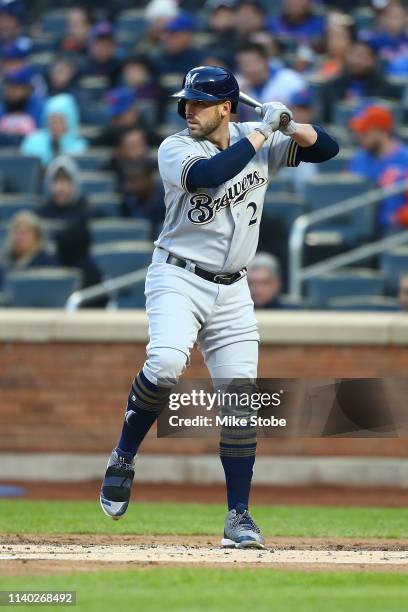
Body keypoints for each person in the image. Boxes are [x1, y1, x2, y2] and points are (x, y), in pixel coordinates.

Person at [99, 65, 338, 547]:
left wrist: (291, 125)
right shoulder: (175, 147)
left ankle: (238, 517)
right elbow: (209, 177)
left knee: (240, 398)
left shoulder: (260, 134)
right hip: (178, 275)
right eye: (186, 102)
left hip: (234, 289)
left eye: (200, 103)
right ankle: (124, 456)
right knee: (165, 364)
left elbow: (327, 149)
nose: (189, 110)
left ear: (226, 107)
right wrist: (263, 135)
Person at [349, 105, 408, 232]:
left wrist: (400, 217)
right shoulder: (358, 159)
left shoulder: (405, 159)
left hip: (396, 233)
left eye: (364, 132)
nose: (359, 137)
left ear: (380, 131)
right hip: (361, 231)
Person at [319, 40, 402, 123]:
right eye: (352, 54)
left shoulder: (386, 88)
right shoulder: (331, 86)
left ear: (372, 61)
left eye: (360, 56)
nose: (355, 60)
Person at [20, 94, 87, 166]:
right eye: (53, 121)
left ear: (71, 121)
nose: (56, 126)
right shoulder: (33, 142)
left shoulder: (80, 148)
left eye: (61, 121)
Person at [236, 42, 305, 108]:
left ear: (265, 61)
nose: (249, 68)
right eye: (243, 64)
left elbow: (302, 114)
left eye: (252, 62)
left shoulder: (290, 79)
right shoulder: (237, 85)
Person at [40, 155, 89, 226]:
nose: (60, 188)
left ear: (75, 184)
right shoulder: (41, 215)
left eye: (65, 181)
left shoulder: (87, 213)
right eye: (56, 181)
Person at [0, 66, 44, 140]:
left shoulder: (39, 107)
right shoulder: (3, 105)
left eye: (15, 88)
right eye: (9, 87)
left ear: (28, 90)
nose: (11, 91)